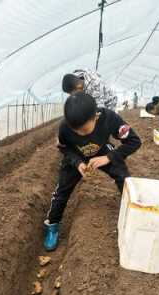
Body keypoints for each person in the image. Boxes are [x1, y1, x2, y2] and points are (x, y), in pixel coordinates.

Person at [44, 92, 142, 251]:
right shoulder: (65, 127)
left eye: (83, 129)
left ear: (95, 117)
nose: (79, 134)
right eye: (75, 131)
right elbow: (64, 148)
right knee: (62, 190)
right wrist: (77, 163)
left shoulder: (110, 118)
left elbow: (134, 141)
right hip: (76, 156)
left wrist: (109, 157)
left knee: (123, 176)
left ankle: (131, 213)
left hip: (102, 151)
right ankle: (53, 225)